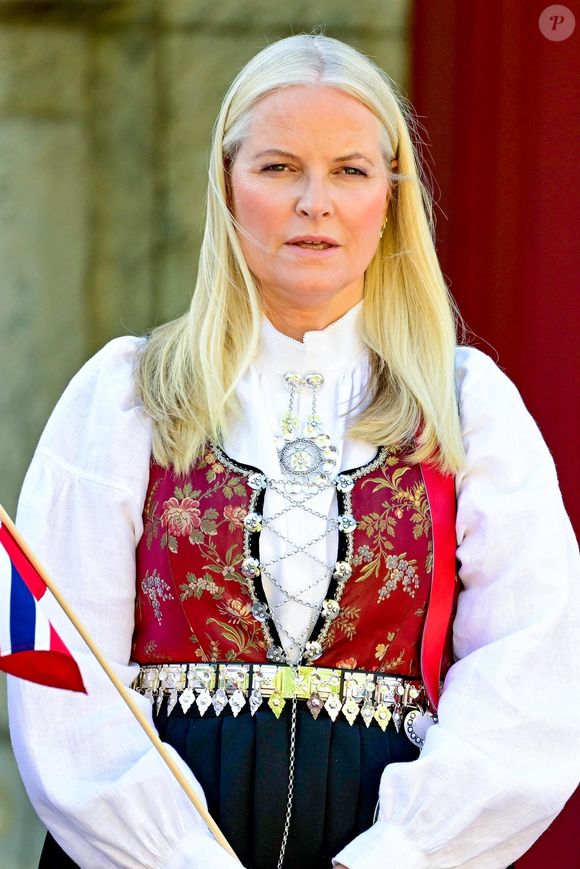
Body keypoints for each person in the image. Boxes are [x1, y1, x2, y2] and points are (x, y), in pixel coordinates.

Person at [7, 32, 580, 869]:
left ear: (391, 195)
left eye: (350, 170)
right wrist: (178, 857)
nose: (316, 202)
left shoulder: (466, 406)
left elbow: (534, 665)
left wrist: (401, 854)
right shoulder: (127, 394)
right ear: (227, 184)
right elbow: (57, 670)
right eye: (279, 168)